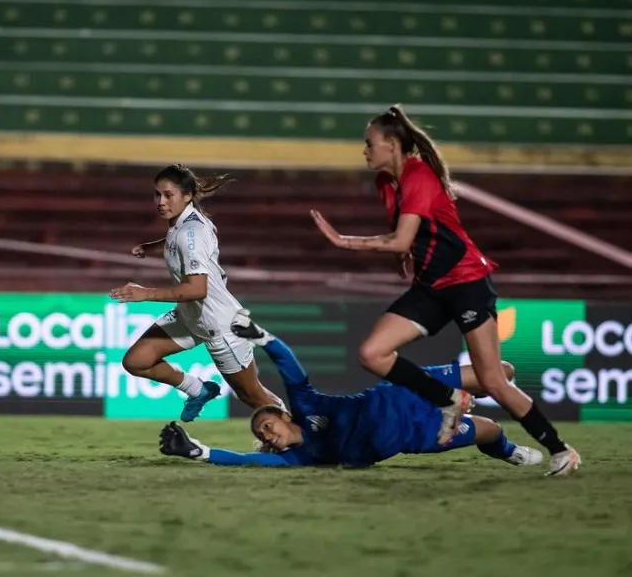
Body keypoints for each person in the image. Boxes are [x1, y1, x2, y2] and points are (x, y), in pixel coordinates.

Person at [306, 104, 580, 476]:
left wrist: (344, 241)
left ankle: (560, 449)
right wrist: (401, 256)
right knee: (372, 353)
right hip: (431, 287)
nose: (365, 150)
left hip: (466, 282)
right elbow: (406, 241)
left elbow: (401, 236)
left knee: (494, 381)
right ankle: (449, 399)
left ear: (393, 145)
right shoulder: (387, 184)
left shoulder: (419, 177)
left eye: (370, 143)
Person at [159, 309, 543, 470]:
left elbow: (291, 369)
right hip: (415, 434)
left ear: (282, 415)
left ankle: (460, 401)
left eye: (265, 427)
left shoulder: (308, 406)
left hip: (404, 393)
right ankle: (509, 453)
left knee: (501, 371)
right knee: (491, 432)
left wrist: (264, 339)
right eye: (262, 437)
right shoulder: (303, 457)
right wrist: (199, 451)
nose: (266, 436)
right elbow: (249, 461)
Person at [109, 164, 284, 422]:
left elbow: (197, 289)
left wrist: (145, 293)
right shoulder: (185, 223)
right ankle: (199, 390)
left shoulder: (192, 232)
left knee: (252, 397)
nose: (161, 201)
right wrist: (153, 246)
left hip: (220, 325)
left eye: (169, 195)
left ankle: (302, 436)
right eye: (157, 194)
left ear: (188, 195)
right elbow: (179, 241)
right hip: (191, 318)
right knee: (137, 360)